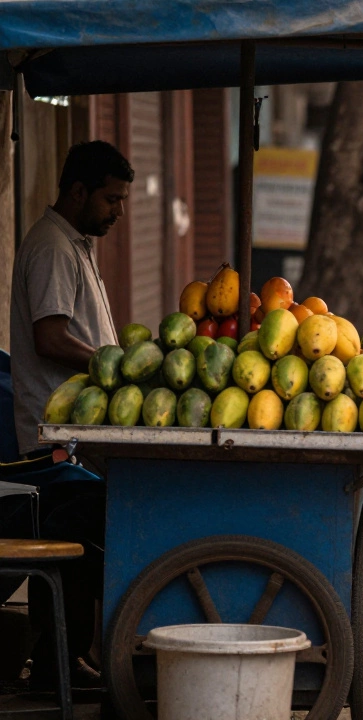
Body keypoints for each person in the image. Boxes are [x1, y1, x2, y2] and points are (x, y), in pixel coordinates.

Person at [7, 140, 134, 688]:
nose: (118, 211)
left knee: (80, 544)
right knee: (75, 542)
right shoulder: (53, 247)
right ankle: (57, 663)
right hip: (51, 437)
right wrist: (115, 363)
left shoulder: (75, 244)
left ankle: (67, 658)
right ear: (77, 191)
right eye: (110, 199)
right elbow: (51, 335)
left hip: (73, 431)